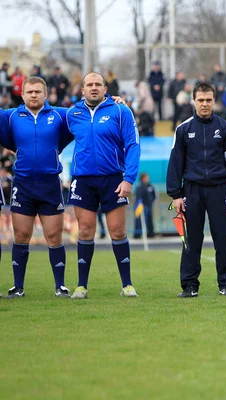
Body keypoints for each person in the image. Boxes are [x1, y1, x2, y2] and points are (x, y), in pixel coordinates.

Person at [66, 72, 140, 299]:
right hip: (83, 180)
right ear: (83, 90)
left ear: (106, 89)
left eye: (98, 84)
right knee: (86, 230)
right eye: (89, 84)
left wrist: (129, 178)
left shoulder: (121, 110)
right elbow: (43, 127)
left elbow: (133, 144)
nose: (94, 88)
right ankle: (81, 286)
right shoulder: (71, 114)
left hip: (113, 179)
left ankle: (127, 284)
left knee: (117, 231)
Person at [167, 82, 226, 297]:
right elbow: (175, 164)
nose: (204, 104)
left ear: (214, 101)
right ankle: (190, 286)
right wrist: (176, 195)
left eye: (208, 100)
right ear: (193, 101)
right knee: (191, 241)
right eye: (200, 100)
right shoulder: (183, 129)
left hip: (220, 190)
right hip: (191, 191)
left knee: (223, 239)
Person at [0, 77, 74, 298]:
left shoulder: (59, 115)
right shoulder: (10, 116)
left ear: (46, 94)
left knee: (54, 236)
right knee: (21, 235)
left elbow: (84, 112)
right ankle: (18, 287)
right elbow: (8, 140)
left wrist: (113, 101)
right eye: (29, 91)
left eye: (38, 91)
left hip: (50, 183)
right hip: (22, 183)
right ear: (22, 95)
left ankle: (60, 286)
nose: (33, 95)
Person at [134, 172, 156, 239]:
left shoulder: (150, 186)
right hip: (142, 207)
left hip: (149, 207)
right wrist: (140, 204)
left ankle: (151, 234)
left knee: (149, 220)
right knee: (140, 221)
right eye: (146, 178)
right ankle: (137, 235)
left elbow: (154, 195)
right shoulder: (139, 186)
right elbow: (138, 197)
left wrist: (151, 202)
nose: (148, 179)